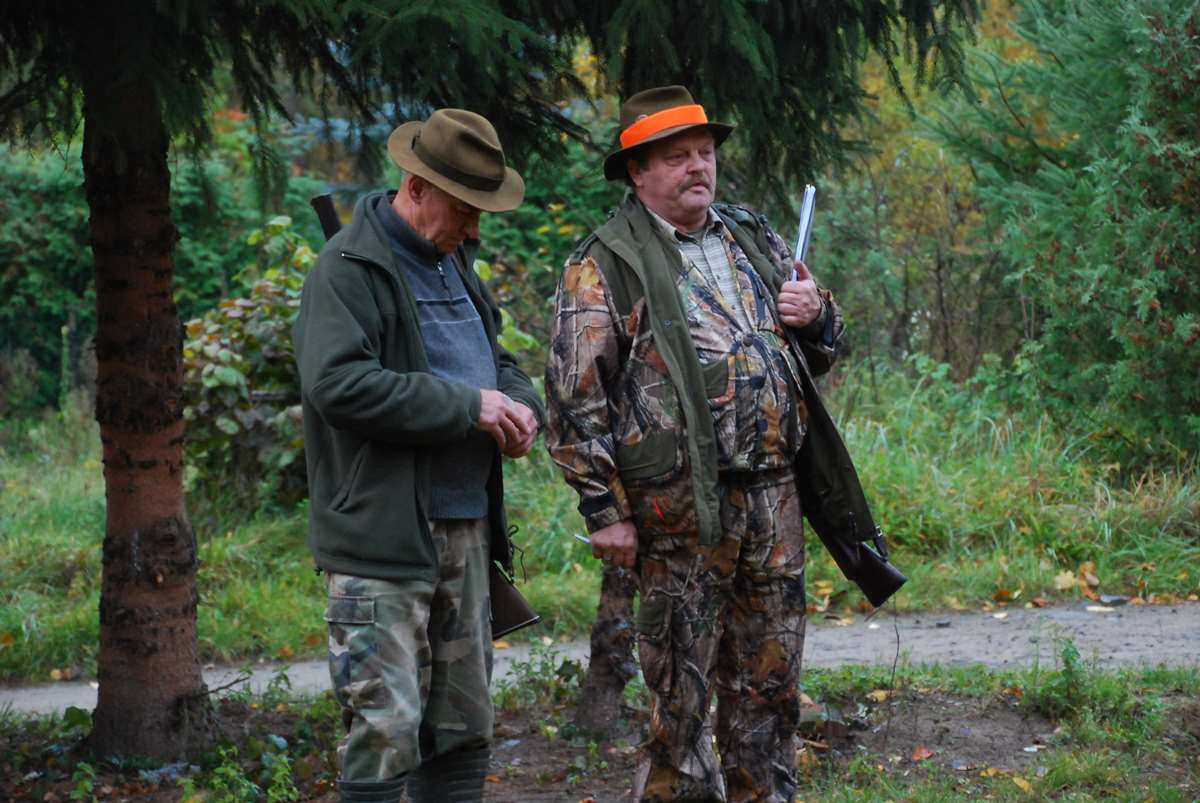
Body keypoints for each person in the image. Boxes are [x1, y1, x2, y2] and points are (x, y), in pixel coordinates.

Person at [544, 85, 846, 802]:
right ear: (637, 171)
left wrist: (814, 313)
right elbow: (574, 396)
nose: (697, 167)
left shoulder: (751, 236)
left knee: (771, 687)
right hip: (678, 513)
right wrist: (604, 509)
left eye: (704, 153)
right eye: (677, 156)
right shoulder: (605, 262)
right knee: (680, 701)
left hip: (774, 497)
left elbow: (827, 343)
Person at [293, 108, 543, 803]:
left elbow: (499, 361)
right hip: (382, 544)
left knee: (464, 728)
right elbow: (339, 384)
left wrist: (521, 405)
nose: (474, 227)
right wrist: (468, 406)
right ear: (416, 187)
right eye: (464, 208)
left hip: (467, 533)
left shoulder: (456, 262)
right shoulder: (346, 270)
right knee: (383, 733)